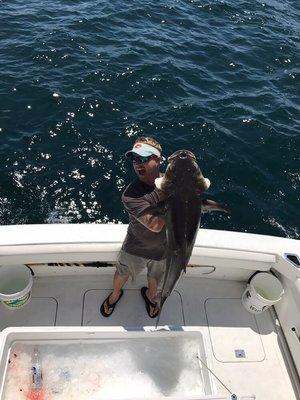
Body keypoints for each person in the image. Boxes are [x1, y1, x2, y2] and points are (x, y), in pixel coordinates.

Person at [100, 136, 166, 318]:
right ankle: (115, 295)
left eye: (144, 158)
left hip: (165, 249)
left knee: (156, 278)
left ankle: (150, 297)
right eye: (135, 159)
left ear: (158, 159)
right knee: (123, 273)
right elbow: (156, 225)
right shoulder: (131, 195)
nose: (138, 164)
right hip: (136, 247)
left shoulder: (172, 182)